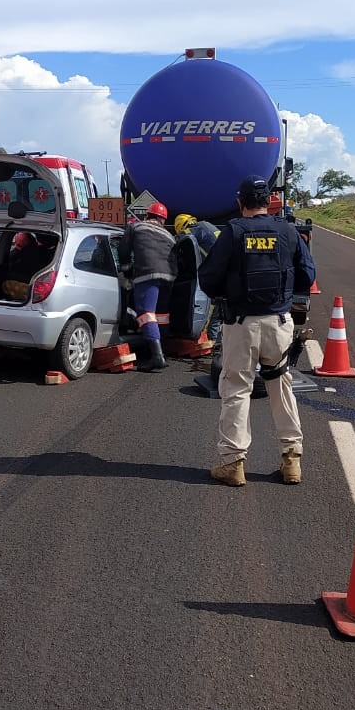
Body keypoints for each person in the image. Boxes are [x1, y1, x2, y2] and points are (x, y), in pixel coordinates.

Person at [198, 175, 315, 487]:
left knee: (237, 388)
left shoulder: (233, 232)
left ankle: (233, 463)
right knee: (281, 386)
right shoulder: (288, 231)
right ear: (269, 202)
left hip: (241, 324)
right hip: (279, 322)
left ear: (240, 202)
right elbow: (307, 274)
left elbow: (208, 277)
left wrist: (225, 294)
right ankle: (292, 459)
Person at [118, 200, 175, 372]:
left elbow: (123, 249)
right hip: (169, 276)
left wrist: (126, 268)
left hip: (147, 274)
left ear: (147, 215)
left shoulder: (136, 227)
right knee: (161, 315)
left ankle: (157, 357)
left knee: (146, 313)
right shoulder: (169, 235)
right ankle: (162, 350)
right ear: (162, 219)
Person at [174, 212, 223, 345]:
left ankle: (208, 338)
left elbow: (183, 237)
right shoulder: (209, 226)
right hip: (227, 271)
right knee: (220, 307)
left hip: (218, 272)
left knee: (211, 305)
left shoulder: (197, 228)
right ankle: (216, 340)